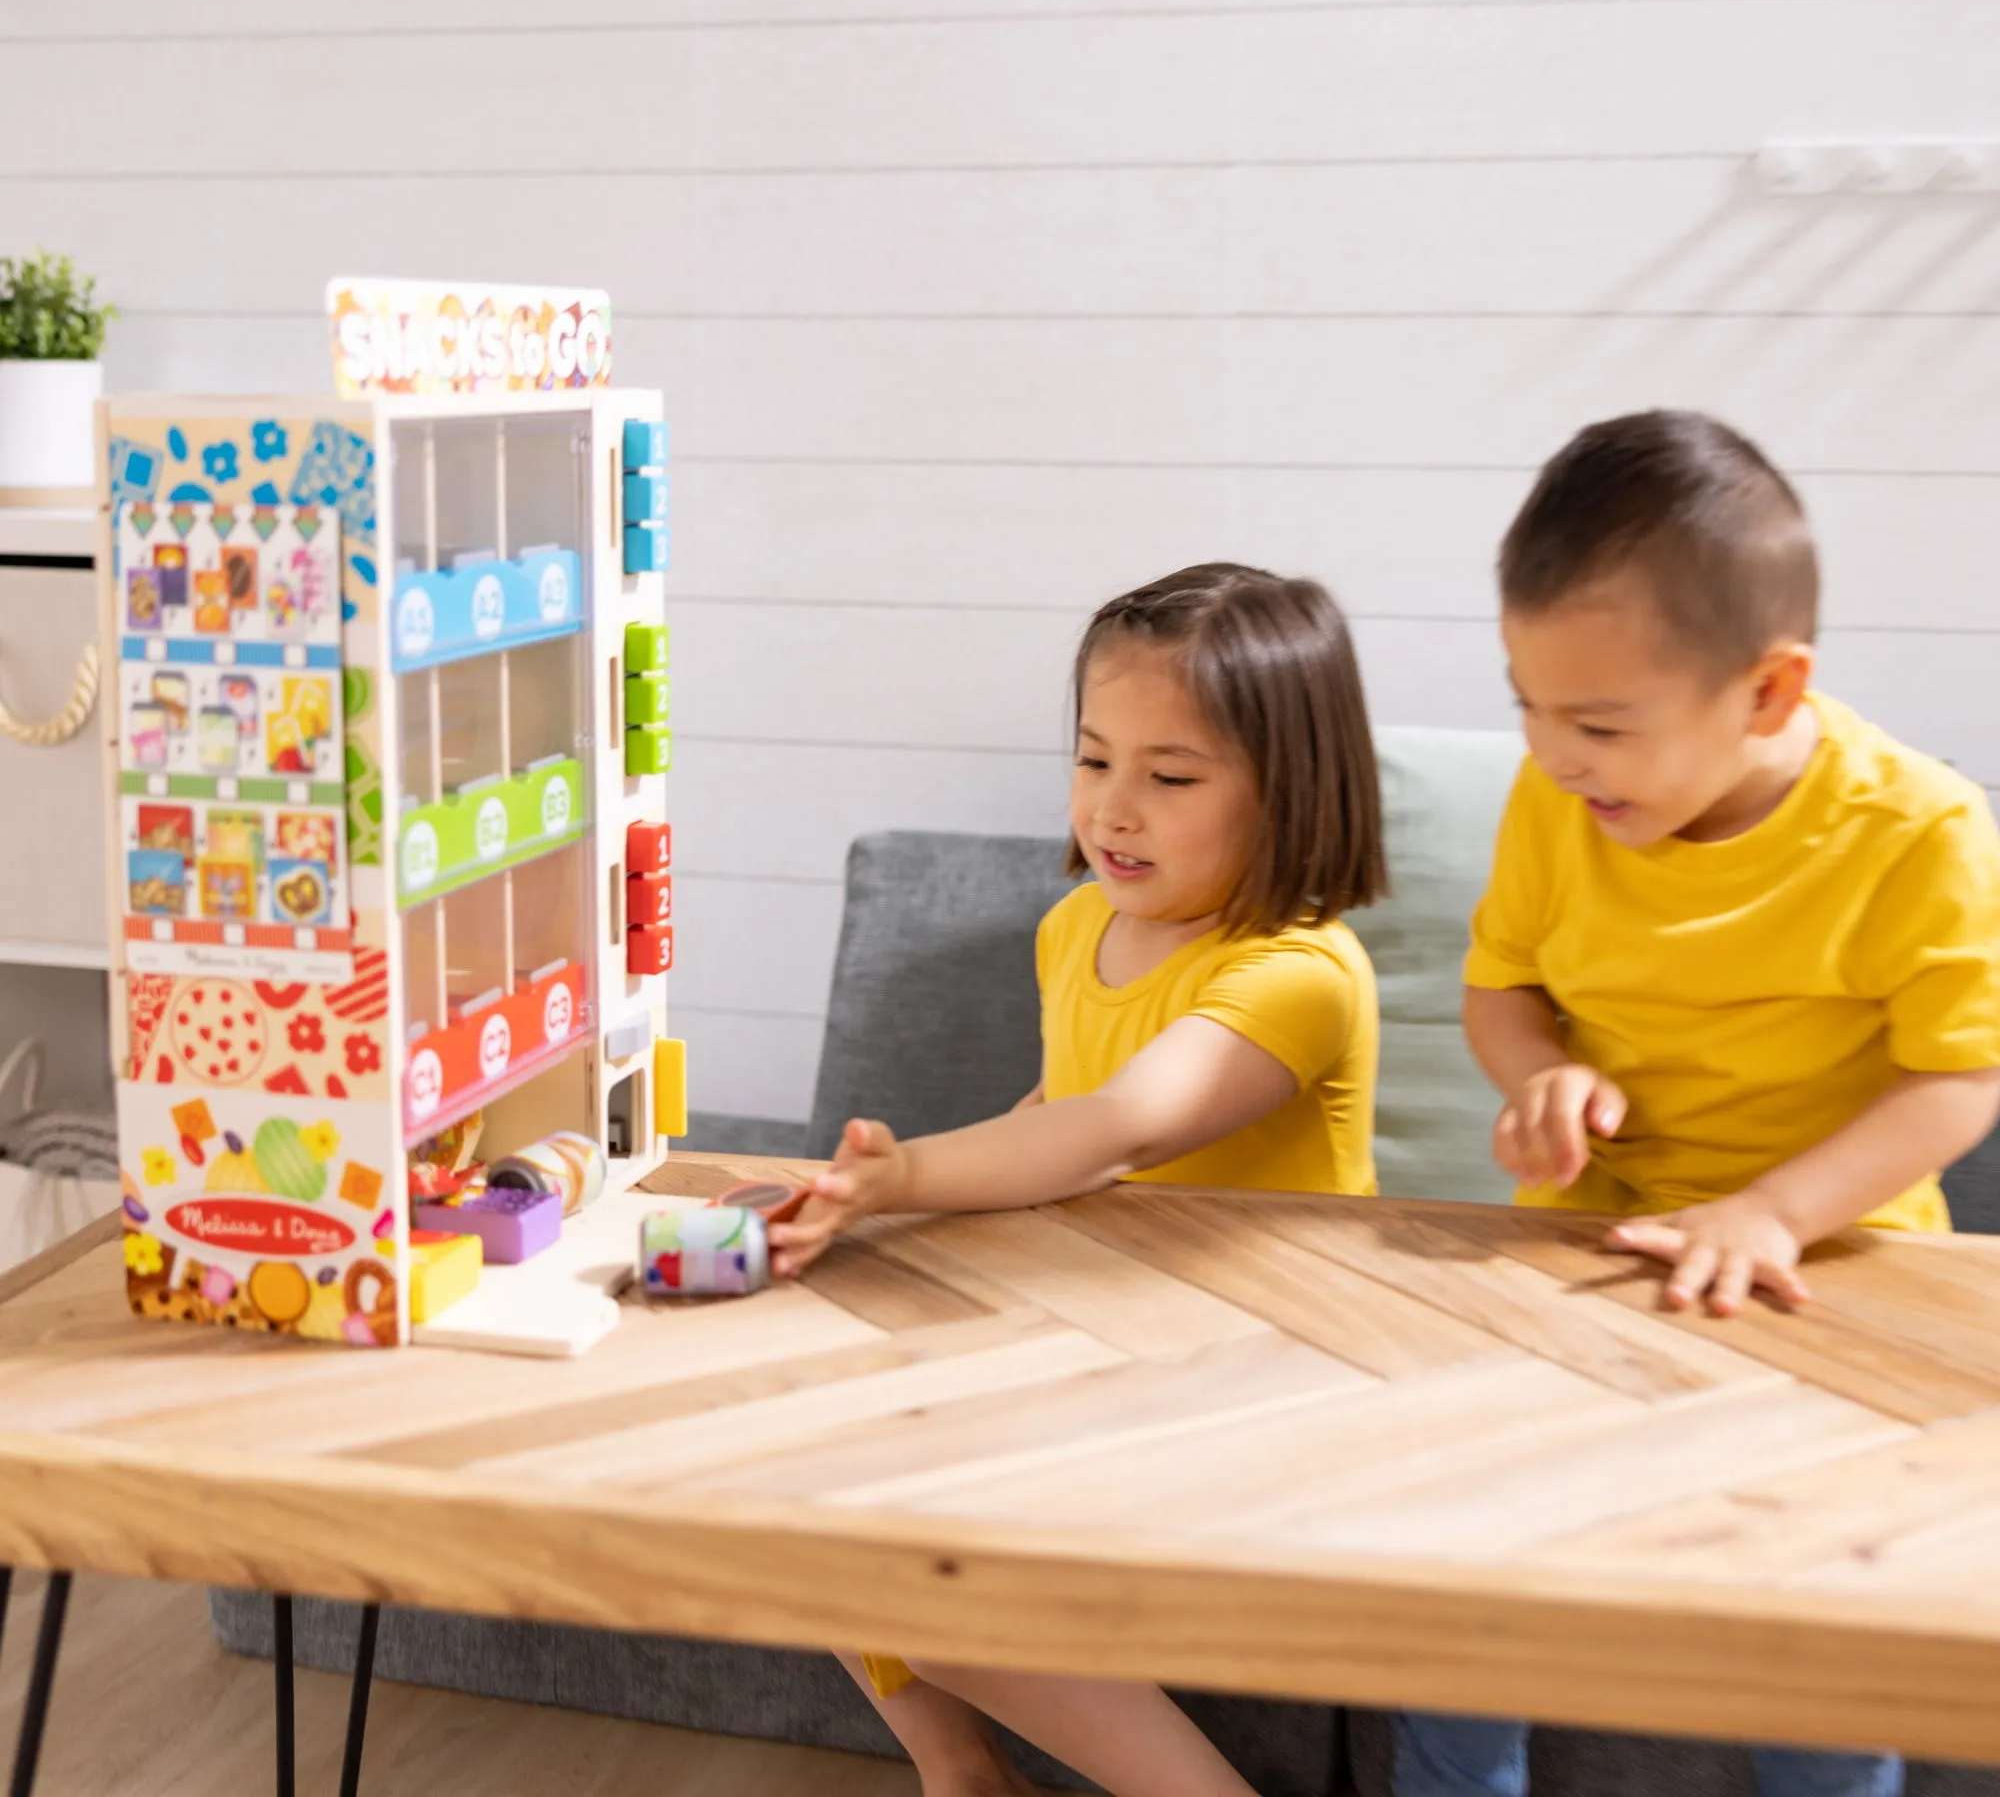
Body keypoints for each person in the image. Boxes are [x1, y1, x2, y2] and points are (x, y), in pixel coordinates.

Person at [1395, 410, 2000, 1797]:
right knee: (1472, 1591)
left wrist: (1776, 1213)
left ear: (1770, 694)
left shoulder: (1921, 831)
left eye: (1597, 721)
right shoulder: (1567, 799)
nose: (1553, 756)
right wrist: (1538, 1073)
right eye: (1526, 706)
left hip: (1835, 1270)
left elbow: (1960, 1076)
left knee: (1804, 1632)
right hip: (1587, 1256)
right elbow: (1503, 993)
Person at [770, 560, 1389, 1797]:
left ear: (1291, 793)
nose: (1113, 807)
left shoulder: (1296, 973)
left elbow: (1119, 1126)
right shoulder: (1073, 927)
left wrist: (903, 1180)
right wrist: (863, 1199)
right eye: (1093, 758)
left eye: (1167, 777)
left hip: (1271, 1362)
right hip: (1107, 1325)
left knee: (931, 1578)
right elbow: (1051, 1116)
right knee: (781, 1446)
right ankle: (960, 1767)